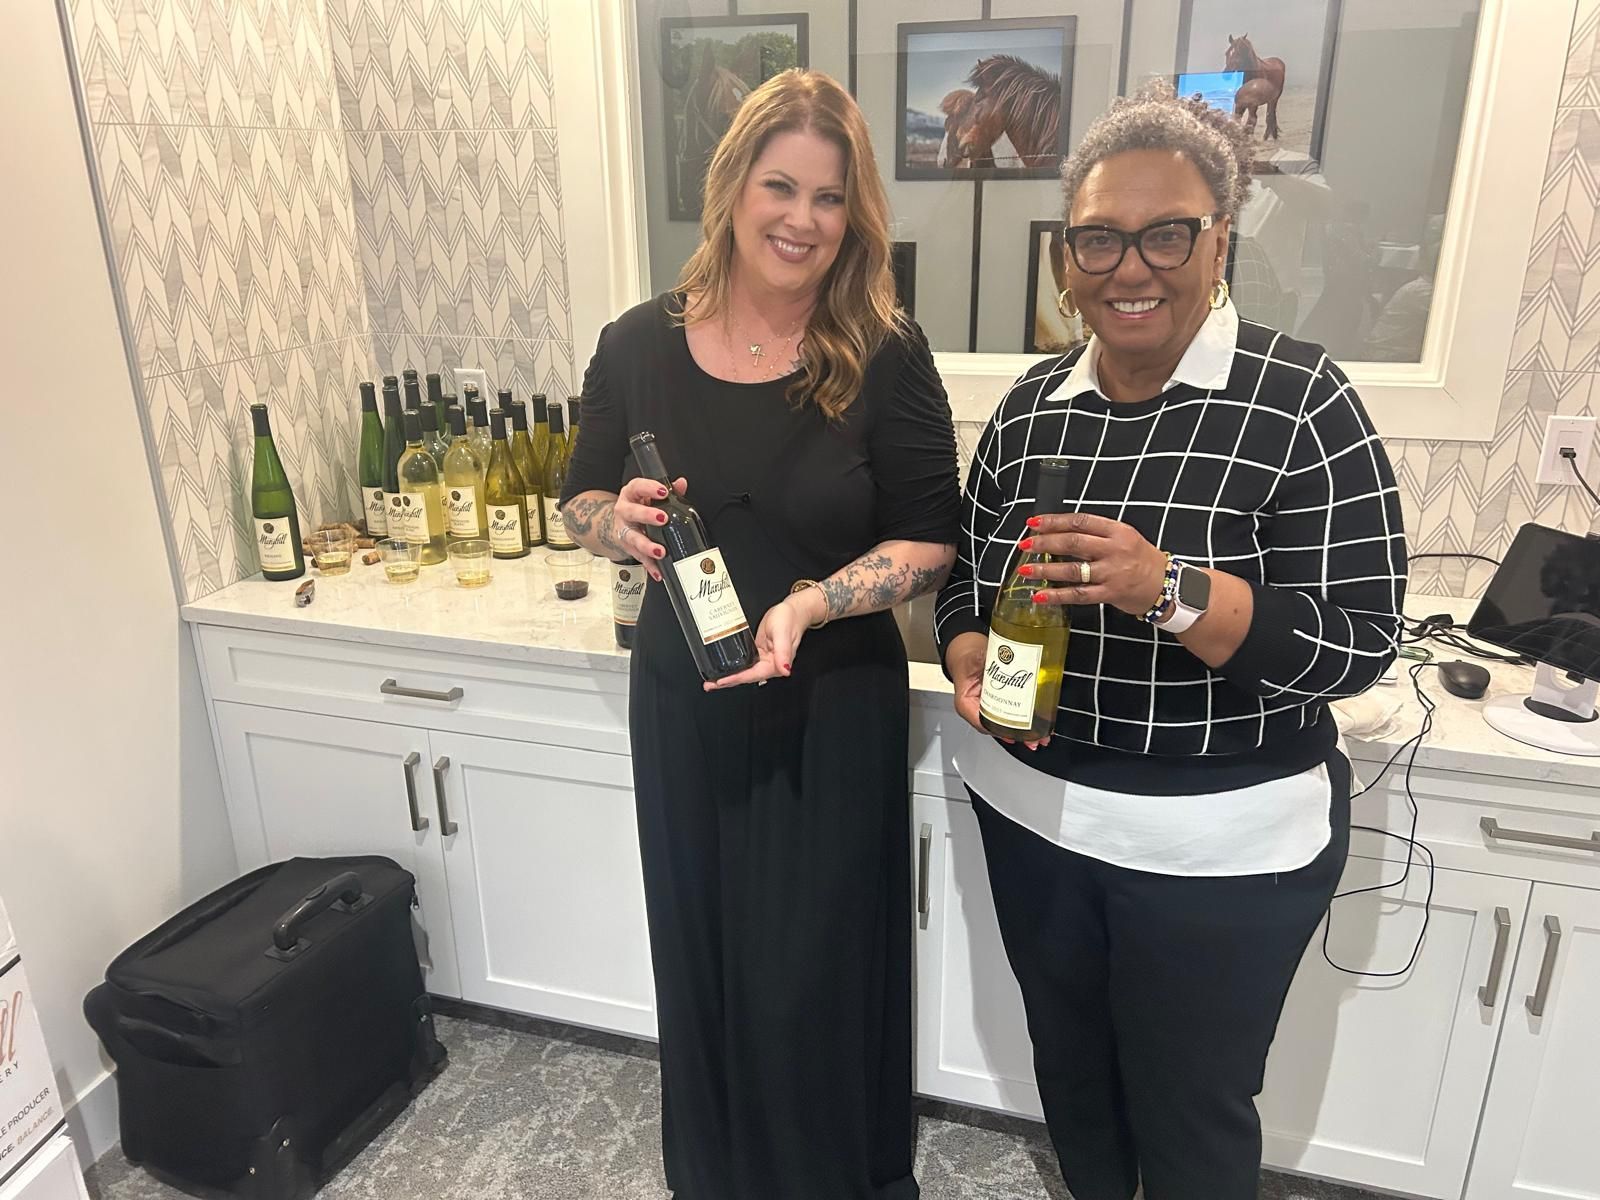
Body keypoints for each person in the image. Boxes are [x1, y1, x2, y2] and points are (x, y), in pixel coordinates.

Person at [935, 80, 1407, 1200]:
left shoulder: (1300, 400)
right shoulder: (1032, 406)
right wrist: (968, 656)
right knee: (1075, 1084)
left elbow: (1358, 643)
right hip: (1037, 820)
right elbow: (965, 581)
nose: (1128, 267)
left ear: (1219, 240)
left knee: (1192, 1115)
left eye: (1165, 234)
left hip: (1219, 853)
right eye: (1098, 239)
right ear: (1068, 258)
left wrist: (1168, 589)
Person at [560, 68, 959, 1200]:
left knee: (812, 973)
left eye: (830, 198)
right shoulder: (635, 345)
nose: (801, 219)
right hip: (683, 703)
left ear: (854, 214)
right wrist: (615, 524)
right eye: (780, 186)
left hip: (828, 706)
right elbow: (576, 497)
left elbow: (932, 539)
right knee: (700, 950)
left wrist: (811, 602)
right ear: (732, 186)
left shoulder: (884, 351)